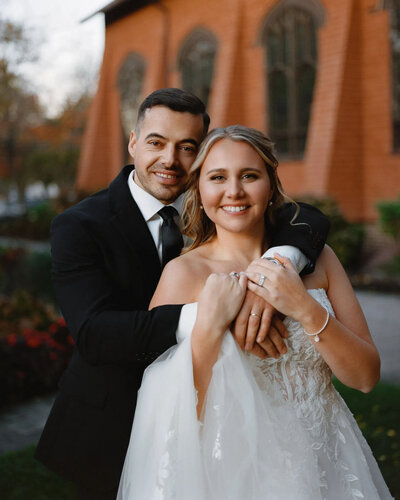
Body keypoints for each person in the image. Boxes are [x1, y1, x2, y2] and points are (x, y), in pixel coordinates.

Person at [35, 89, 329, 499]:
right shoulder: (80, 226)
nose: (170, 160)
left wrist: (275, 268)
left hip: (214, 423)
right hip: (111, 426)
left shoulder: (214, 206)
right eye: (156, 142)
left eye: (186, 147)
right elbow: (94, 333)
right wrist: (207, 312)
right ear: (134, 142)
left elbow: (307, 216)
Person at [118, 126, 393, 499]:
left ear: (271, 183)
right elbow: (165, 413)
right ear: (199, 188)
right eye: (218, 177)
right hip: (238, 474)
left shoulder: (320, 259)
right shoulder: (183, 274)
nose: (234, 191)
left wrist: (304, 309)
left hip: (333, 463)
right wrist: (210, 327)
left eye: (249, 175)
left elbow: (365, 377)